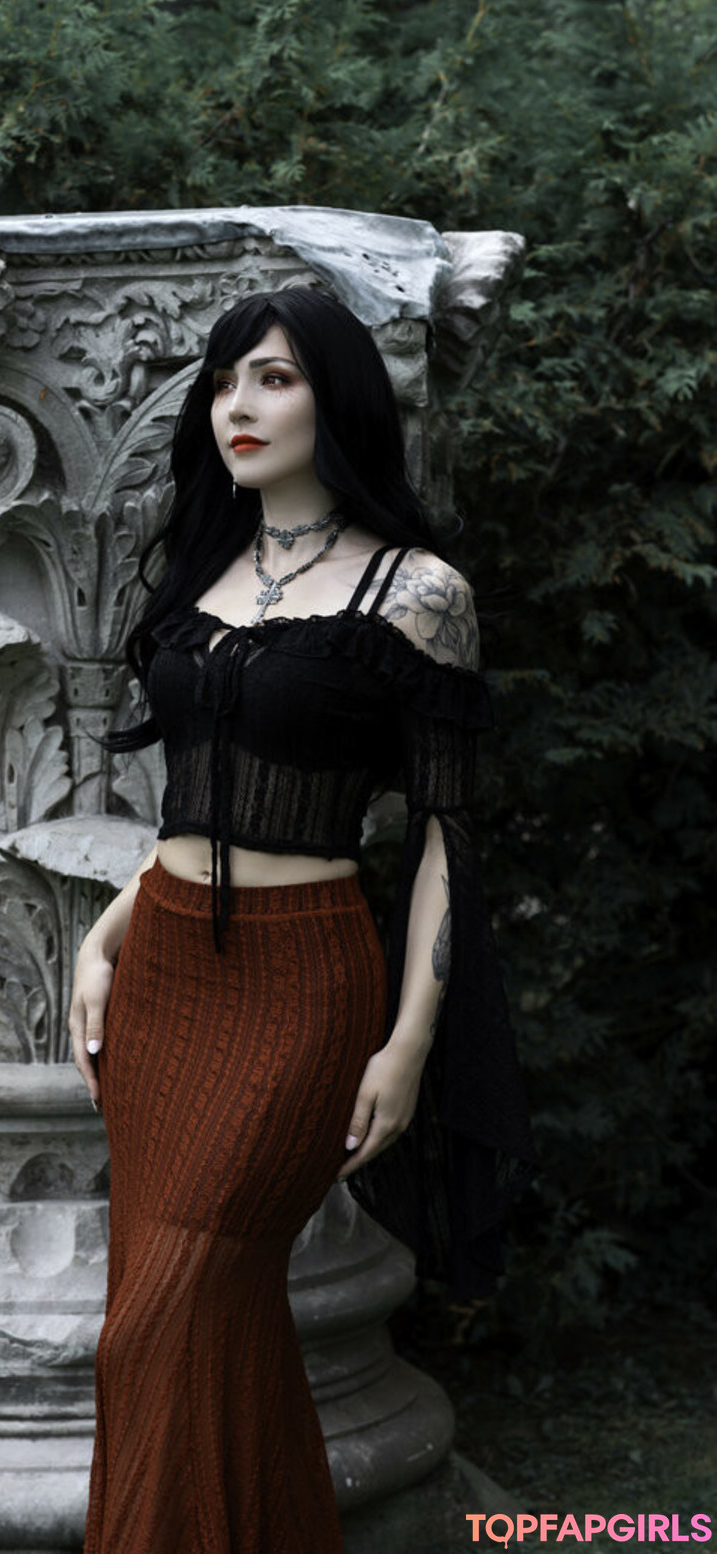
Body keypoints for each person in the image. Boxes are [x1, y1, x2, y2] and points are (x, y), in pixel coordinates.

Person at [68, 286, 539, 1554]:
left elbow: (440, 836)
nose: (239, 403)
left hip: (300, 987)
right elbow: (192, 805)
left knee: (160, 1319)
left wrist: (408, 1040)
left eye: (273, 377)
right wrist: (106, 933)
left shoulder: (417, 592)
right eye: (226, 379)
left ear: (338, 398)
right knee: (200, 1326)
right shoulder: (204, 568)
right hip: (160, 968)